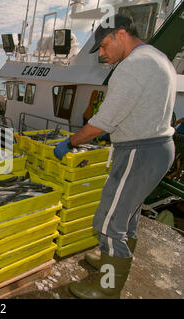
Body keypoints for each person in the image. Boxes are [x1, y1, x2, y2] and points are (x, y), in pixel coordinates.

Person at [53, 14, 176, 299]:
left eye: (105, 46)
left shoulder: (132, 66)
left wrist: (70, 142)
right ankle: (112, 260)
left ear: (121, 34)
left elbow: (102, 121)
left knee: (108, 220)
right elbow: (141, 108)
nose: (103, 54)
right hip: (157, 147)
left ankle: (107, 286)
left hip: (139, 151)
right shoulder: (156, 57)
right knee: (128, 215)